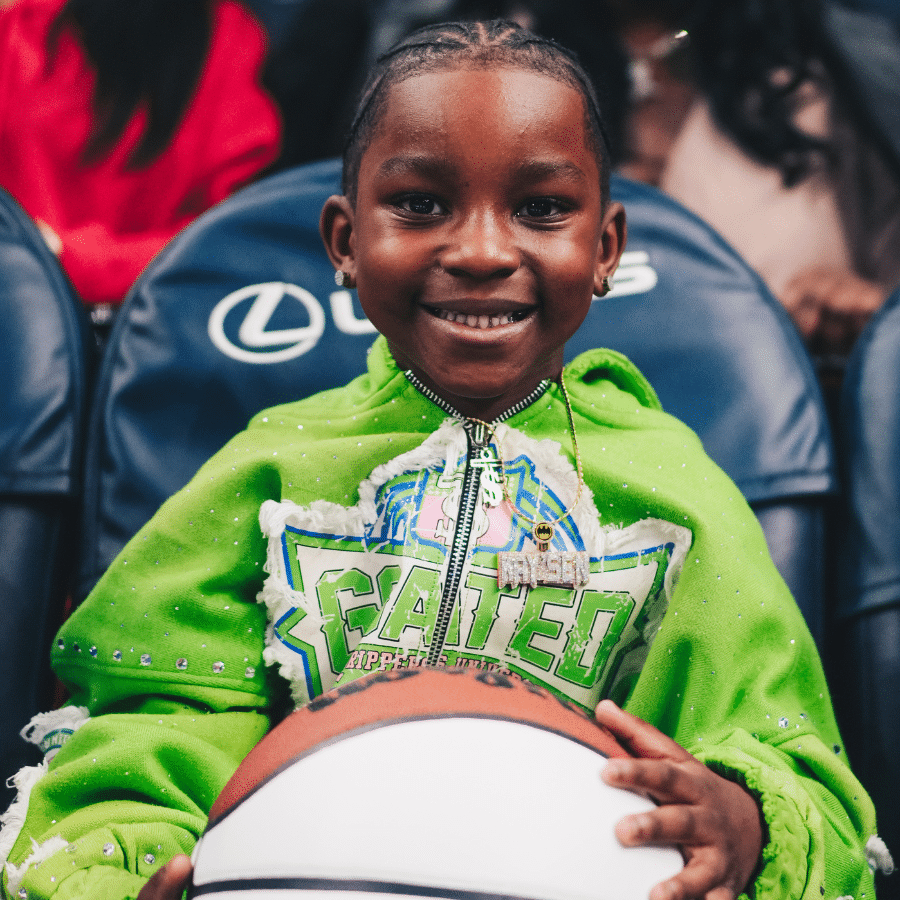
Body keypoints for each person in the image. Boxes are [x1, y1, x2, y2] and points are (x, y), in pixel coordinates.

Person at [0, 20, 889, 900]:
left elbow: (785, 755)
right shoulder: (263, 470)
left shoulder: (679, 495)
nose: (482, 252)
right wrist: (122, 874)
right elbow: (154, 733)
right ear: (345, 242)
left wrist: (746, 823)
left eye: (541, 209)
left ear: (605, 249)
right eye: (421, 205)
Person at [0, 0, 280, 314]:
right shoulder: (26, 19)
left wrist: (70, 257)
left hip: (126, 315)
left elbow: (223, 244)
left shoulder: (230, 47)